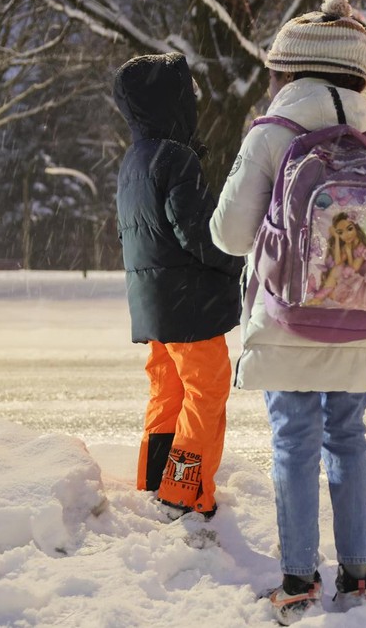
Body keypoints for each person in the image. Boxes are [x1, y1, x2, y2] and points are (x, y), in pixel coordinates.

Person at [209, 0, 366, 623]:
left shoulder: (272, 135)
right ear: (358, 75)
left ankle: (297, 579)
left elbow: (229, 235)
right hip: (363, 320)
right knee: (348, 437)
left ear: (286, 71)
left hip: (288, 318)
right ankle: (359, 574)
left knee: (294, 441)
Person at [112, 52, 242, 521]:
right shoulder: (175, 158)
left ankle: (156, 478)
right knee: (206, 391)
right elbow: (201, 234)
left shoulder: (134, 160)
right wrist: (238, 261)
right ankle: (184, 491)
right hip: (189, 305)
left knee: (168, 392)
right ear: (172, 103)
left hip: (153, 304)